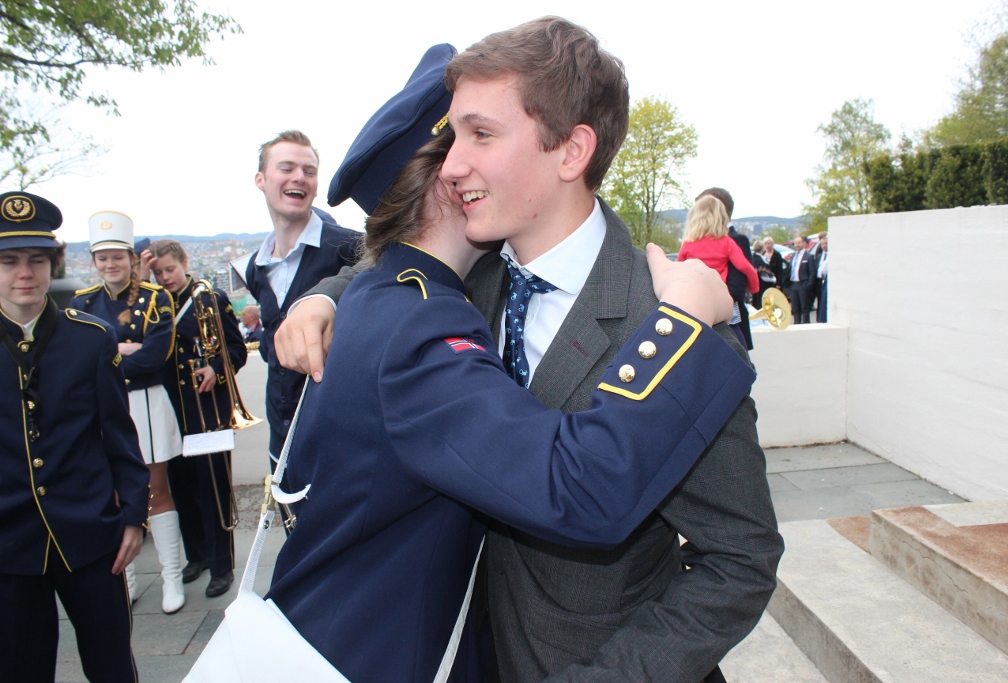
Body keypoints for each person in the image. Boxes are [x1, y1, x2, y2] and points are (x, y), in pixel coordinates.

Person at [281, 19, 782, 683]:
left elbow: (741, 558)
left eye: (480, 134)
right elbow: (400, 265)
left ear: (571, 151)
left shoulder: (672, 333)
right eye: (453, 135)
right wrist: (322, 297)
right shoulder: (473, 276)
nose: (450, 163)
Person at [0, 191, 150, 682]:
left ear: (54, 264)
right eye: (9, 261)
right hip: (9, 542)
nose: (25, 273)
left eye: (37, 260)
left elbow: (119, 434)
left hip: (90, 534)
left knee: (112, 665)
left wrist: (134, 516)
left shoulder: (90, 337)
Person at [70, 212, 186, 614]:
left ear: (132, 259)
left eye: (117, 257)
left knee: (156, 491)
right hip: (104, 407)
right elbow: (79, 363)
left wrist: (108, 356)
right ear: (93, 261)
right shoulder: (82, 302)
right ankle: (128, 579)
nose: (110, 265)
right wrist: (125, 349)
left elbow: (154, 358)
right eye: (102, 258)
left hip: (146, 401)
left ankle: (172, 577)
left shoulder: (156, 299)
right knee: (114, 494)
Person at [244, 130, 361, 525]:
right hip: (281, 444)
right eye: (287, 168)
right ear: (261, 179)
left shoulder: (352, 249)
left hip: (338, 447)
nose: (299, 177)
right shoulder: (255, 267)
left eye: (309, 171)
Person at [147, 239, 247, 598]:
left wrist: (216, 369)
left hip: (207, 413)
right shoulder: (153, 305)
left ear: (185, 263)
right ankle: (198, 555)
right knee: (182, 488)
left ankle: (221, 565)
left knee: (213, 491)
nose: (165, 278)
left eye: (170, 270)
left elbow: (236, 349)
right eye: (158, 273)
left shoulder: (211, 298)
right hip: (170, 413)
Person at [677, 195, 760, 347]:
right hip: (722, 299)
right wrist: (754, 287)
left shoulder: (687, 245)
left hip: (697, 299)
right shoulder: (727, 242)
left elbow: (679, 272)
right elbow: (744, 266)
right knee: (736, 342)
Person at [786, 234, 816, 324]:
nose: (797, 245)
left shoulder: (809, 256)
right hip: (793, 285)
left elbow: (812, 272)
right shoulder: (793, 256)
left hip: (803, 285)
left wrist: (808, 285)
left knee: (805, 308)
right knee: (795, 308)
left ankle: (806, 325)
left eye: (799, 243)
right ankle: (797, 324)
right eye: (795, 243)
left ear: (803, 243)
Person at [751, 240, 776, 309]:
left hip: (756, 284)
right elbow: (765, 274)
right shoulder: (759, 260)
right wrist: (773, 279)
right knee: (761, 303)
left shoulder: (753, 258)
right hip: (762, 285)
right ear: (763, 248)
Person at [815, 233, 829, 322]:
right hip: (819, 282)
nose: (824, 246)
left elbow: (823, 270)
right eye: (822, 244)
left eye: (826, 243)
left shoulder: (831, 255)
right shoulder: (819, 255)